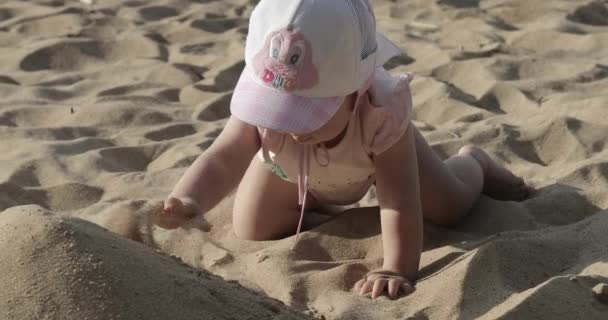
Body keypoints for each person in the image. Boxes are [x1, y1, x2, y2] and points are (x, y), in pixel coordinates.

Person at [155, 0, 531, 300]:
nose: (288, 124)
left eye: (305, 113)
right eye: (276, 110)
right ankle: (319, 202)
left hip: (367, 161)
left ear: (356, 91)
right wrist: (189, 198)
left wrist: (396, 269)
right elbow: (223, 156)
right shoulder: (270, 89)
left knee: (450, 207)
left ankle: (474, 162)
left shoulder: (379, 115)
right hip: (295, 172)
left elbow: (399, 199)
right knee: (253, 227)